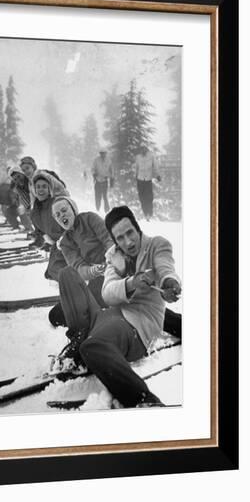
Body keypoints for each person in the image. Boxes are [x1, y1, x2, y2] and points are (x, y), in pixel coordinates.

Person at [54, 205, 182, 408]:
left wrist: (168, 281)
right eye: (120, 238)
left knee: (92, 347)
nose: (128, 242)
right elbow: (108, 293)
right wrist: (129, 281)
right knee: (67, 274)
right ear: (114, 240)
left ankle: (143, 399)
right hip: (107, 315)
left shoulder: (157, 245)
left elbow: (165, 266)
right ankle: (78, 339)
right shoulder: (113, 255)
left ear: (137, 227)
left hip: (134, 325)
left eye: (130, 232)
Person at [49, 196, 114, 327]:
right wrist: (91, 271)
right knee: (56, 315)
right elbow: (78, 266)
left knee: (116, 297)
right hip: (97, 278)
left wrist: (110, 261)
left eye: (64, 210)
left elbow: (108, 239)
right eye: (57, 215)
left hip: (115, 268)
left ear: (73, 209)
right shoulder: (65, 243)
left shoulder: (90, 219)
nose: (62, 215)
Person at [29, 171, 70, 281]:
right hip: (56, 247)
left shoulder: (57, 205)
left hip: (70, 245)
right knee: (51, 273)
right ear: (34, 190)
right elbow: (39, 230)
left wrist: (63, 241)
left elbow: (71, 227)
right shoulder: (34, 212)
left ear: (49, 190)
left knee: (60, 273)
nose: (41, 190)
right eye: (38, 187)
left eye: (44, 187)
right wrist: (40, 237)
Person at [135, 146, 161, 220]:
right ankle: (146, 214)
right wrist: (135, 176)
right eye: (142, 150)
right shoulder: (138, 157)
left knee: (149, 197)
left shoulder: (151, 157)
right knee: (142, 198)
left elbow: (155, 166)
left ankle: (150, 212)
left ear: (147, 151)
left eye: (145, 150)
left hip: (148, 179)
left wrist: (157, 175)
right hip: (140, 179)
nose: (143, 152)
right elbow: (136, 167)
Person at [91, 147, 114, 213]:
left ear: (106, 154)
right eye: (101, 153)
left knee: (105, 196)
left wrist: (111, 178)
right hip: (97, 181)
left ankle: (106, 211)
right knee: (97, 196)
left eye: (104, 153)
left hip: (105, 180)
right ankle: (97, 209)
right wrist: (94, 174)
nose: (102, 155)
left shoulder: (109, 160)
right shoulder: (96, 160)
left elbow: (111, 170)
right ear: (100, 154)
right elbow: (92, 169)